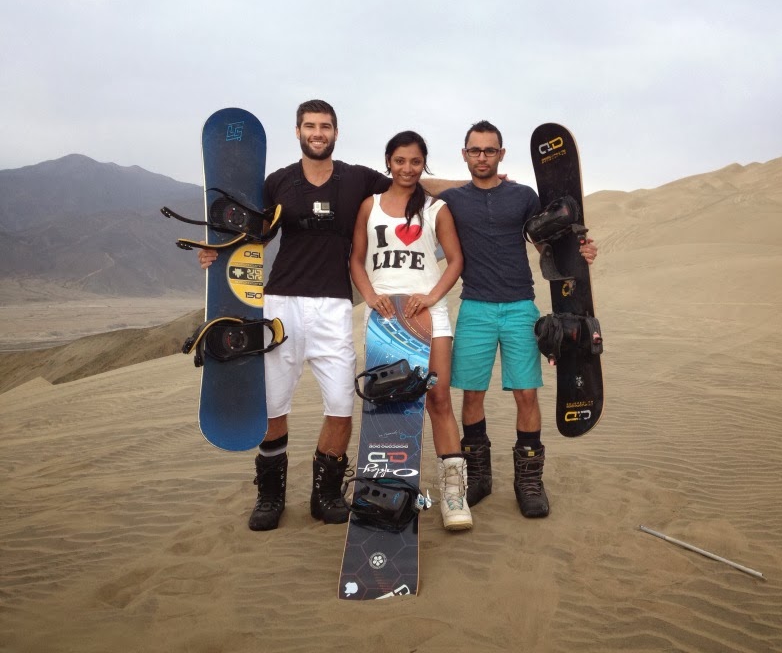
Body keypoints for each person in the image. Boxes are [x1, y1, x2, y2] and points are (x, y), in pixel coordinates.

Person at [198, 100, 458, 532]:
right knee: (273, 404)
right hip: (281, 303)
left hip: (335, 305)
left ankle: (327, 494)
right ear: (298, 131)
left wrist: (472, 183)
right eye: (310, 126)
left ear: (336, 132)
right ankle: (270, 496)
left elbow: (411, 181)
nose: (317, 133)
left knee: (340, 405)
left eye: (325, 126)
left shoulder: (356, 179)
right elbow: (255, 237)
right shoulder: (278, 182)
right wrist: (216, 254)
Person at [438, 120, 598, 519]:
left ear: (502, 154)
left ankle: (528, 482)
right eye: (475, 150)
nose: (482, 157)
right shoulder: (453, 199)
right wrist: (455, 180)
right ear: (464, 154)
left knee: (526, 394)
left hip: (519, 307)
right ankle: (479, 476)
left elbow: (549, 241)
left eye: (490, 150)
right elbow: (415, 183)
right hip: (474, 307)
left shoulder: (523, 196)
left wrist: (582, 253)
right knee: (471, 395)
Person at [349, 130, 471, 531]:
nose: (407, 168)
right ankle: (388, 493)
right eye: (400, 160)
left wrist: (432, 296)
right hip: (385, 318)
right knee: (388, 402)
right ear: (388, 161)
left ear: (424, 164)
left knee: (438, 397)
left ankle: (453, 495)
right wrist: (370, 296)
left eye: (415, 161)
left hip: (429, 316)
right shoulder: (369, 206)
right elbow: (356, 259)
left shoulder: (436, 209)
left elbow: (455, 260)